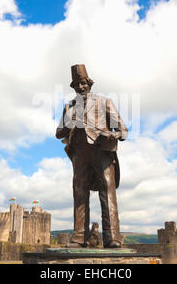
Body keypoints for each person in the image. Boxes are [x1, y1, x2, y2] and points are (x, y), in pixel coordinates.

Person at [56, 64, 128, 248]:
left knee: (107, 191)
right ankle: (79, 237)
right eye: (77, 85)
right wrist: (69, 122)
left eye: (83, 83)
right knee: (79, 192)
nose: (80, 87)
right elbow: (58, 133)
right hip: (80, 154)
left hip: (101, 151)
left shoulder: (104, 102)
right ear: (73, 87)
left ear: (89, 83)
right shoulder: (69, 107)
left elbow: (123, 130)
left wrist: (114, 135)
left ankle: (112, 237)